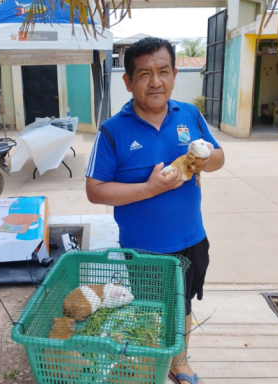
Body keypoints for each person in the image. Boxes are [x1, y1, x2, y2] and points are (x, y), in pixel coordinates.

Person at [85, 37, 225, 384]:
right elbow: (95, 190)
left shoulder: (190, 114)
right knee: (150, 309)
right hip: (144, 248)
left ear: (175, 74)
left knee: (184, 304)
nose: (156, 81)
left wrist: (203, 159)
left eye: (163, 71)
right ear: (128, 81)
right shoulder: (113, 131)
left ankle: (179, 362)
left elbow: (219, 157)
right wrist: (150, 188)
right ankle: (150, 365)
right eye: (144, 73)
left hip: (191, 237)